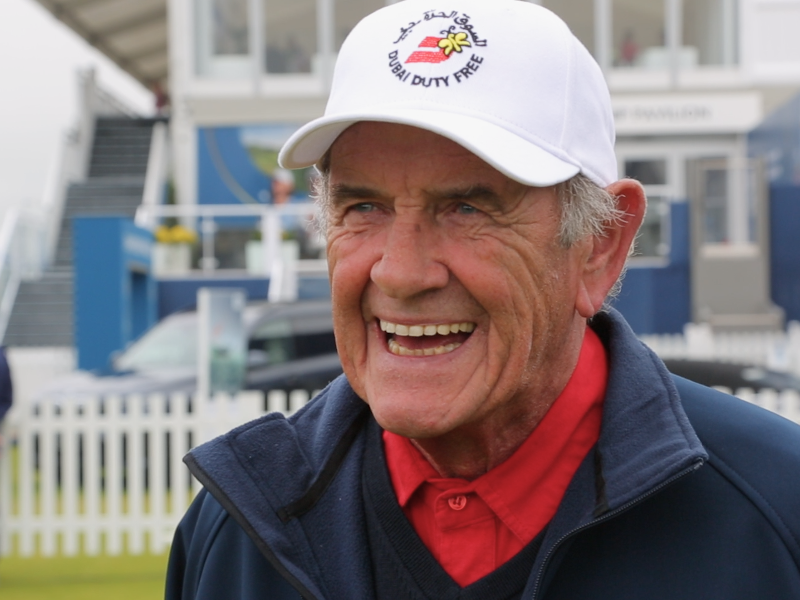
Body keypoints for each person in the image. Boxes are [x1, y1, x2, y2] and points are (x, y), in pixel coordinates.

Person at [166, 2, 800, 598]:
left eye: (467, 208)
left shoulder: (776, 512)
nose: (403, 273)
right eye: (364, 207)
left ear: (600, 247)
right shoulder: (233, 534)